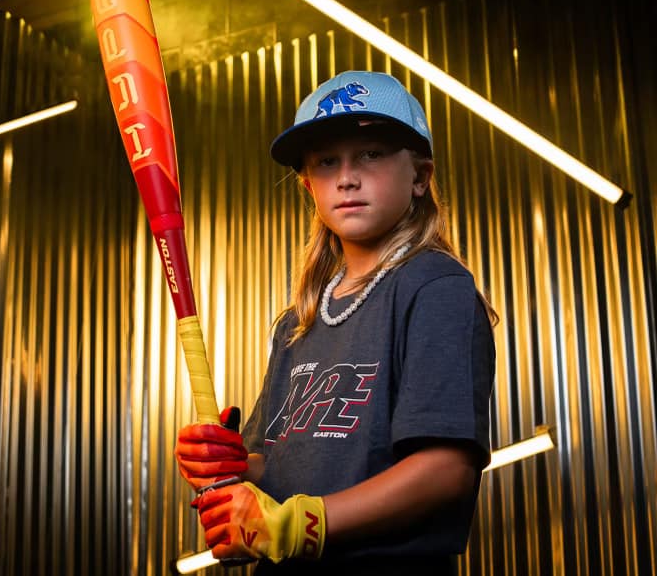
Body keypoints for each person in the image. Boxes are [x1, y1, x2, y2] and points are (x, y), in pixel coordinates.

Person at [175, 70, 497, 575]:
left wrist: (299, 526)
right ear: (308, 184)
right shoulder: (297, 323)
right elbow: (274, 468)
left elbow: (445, 471)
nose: (347, 177)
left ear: (420, 176)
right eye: (327, 161)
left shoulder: (434, 287)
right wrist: (228, 464)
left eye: (370, 153)